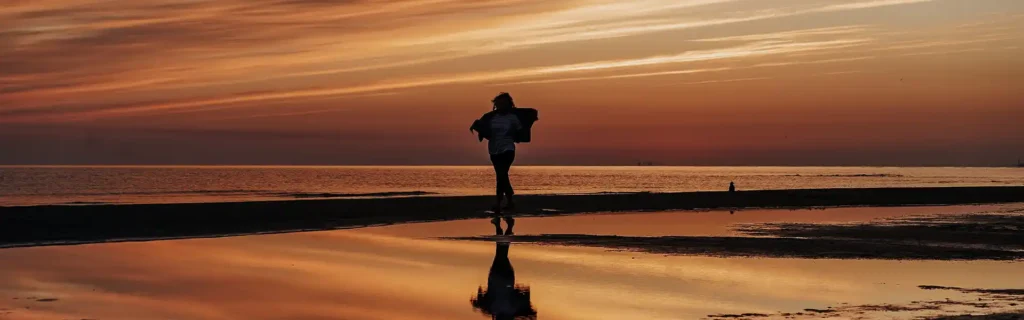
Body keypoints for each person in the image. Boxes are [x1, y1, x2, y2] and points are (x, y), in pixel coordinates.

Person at [470, 93, 538, 223]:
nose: (502, 105)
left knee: (501, 174)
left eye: (504, 103)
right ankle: (509, 201)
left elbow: (521, 130)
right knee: (501, 175)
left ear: (509, 104)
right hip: (494, 149)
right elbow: (483, 127)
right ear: (496, 104)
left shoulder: (513, 117)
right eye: (499, 103)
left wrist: (519, 134)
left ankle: (499, 202)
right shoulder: (490, 117)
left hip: (508, 148)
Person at [470, 240, 537, 320]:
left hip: (506, 278)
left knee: (501, 255)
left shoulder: (511, 310)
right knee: (500, 255)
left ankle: (505, 231)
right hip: (496, 278)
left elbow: (519, 299)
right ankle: (503, 232)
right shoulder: (493, 309)